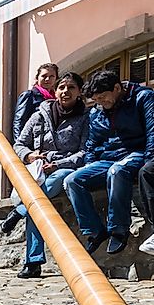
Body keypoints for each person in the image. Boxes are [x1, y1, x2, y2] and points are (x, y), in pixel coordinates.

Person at [5, 72, 88, 277]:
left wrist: (58, 163)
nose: (65, 92)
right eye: (62, 87)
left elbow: (85, 151)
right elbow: (19, 144)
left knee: (41, 197)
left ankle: (20, 212)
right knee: (38, 204)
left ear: (79, 92)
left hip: (66, 168)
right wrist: (30, 156)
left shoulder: (86, 117)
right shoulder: (39, 115)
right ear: (55, 91)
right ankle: (32, 261)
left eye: (71, 88)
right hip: (39, 171)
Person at [64, 68, 154, 254]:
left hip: (136, 152)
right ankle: (95, 231)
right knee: (72, 180)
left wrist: (150, 159)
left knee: (117, 171)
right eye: (96, 101)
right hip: (107, 158)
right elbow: (91, 143)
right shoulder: (97, 112)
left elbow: (152, 129)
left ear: (116, 88)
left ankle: (118, 229)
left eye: (103, 97)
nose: (101, 103)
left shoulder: (143, 97)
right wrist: (89, 164)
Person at [12, 63, 59, 140]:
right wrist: (19, 145)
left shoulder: (56, 99)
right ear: (37, 78)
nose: (47, 79)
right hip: (31, 140)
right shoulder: (29, 95)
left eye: (51, 76)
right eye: (44, 76)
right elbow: (19, 122)